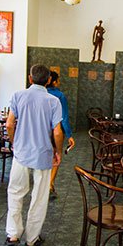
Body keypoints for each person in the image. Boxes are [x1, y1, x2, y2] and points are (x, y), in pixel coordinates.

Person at [4, 64, 63, 246]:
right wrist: (58, 151)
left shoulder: (18, 96)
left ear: (30, 78)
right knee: (39, 196)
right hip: (43, 153)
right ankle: (32, 238)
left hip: (21, 152)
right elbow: (58, 132)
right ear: (48, 80)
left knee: (15, 192)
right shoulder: (53, 101)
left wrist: (14, 143)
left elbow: (9, 125)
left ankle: (13, 234)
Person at [46, 70, 76, 199]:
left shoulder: (40, 94)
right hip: (55, 131)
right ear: (54, 81)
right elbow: (63, 117)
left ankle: (43, 184)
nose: (59, 82)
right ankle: (50, 183)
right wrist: (69, 135)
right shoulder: (59, 96)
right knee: (56, 156)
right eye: (58, 80)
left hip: (41, 131)